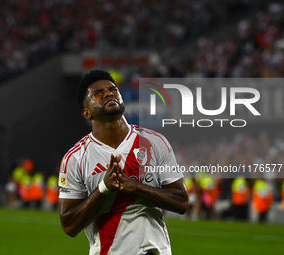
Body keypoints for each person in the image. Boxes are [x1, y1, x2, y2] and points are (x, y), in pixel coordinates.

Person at [58, 70, 189, 255]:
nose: (109, 93)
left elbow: (181, 202)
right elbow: (69, 225)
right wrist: (103, 188)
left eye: (113, 89)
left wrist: (136, 187)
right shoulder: (75, 158)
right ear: (86, 113)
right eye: (98, 93)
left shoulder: (155, 142)